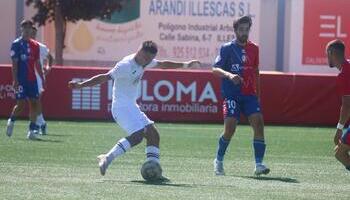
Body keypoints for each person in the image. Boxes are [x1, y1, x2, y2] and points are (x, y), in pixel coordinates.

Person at [68, 41, 200, 178]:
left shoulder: (146, 61)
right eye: (144, 57)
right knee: (137, 136)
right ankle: (107, 157)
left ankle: (153, 167)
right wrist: (80, 86)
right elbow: (104, 77)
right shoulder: (124, 65)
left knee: (153, 133)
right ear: (139, 51)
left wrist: (185, 64)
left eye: (149, 59)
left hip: (132, 106)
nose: (146, 61)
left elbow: (162, 64)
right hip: (120, 108)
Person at [212, 16, 270, 176]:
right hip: (232, 95)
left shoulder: (254, 48)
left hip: (249, 95)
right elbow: (215, 69)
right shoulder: (227, 48)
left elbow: (256, 71)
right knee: (230, 129)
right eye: (241, 30)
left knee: (259, 124)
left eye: (247, 29)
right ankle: (218, 160)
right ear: (236, 30)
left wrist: (258, 93)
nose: (244, 33)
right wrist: (229, 75)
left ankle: (259, 164)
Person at [6, 20, 44, 140]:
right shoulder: (16, 44)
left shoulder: (35, 45)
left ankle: (32, 131)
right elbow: (14, 64)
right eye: (25, 28)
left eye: (29, 28)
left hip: (32, 80)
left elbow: (37, 63)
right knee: (21, 104)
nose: (27, 30)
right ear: (21, 29)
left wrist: (42, 76)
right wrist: (15, 80)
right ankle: (11, 121)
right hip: (21, 80)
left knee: (34, 103)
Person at [326, 39, 350, 171]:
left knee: (339, 153)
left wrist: (339, 129)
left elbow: (347, 104)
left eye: (326, 54)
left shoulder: (343, 74)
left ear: (331, 53)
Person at [31, 26, 54, 135]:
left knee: (35, 101)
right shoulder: (21, 45)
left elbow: (50, 57)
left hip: (38, 77)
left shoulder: (40, 47)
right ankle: (42, 123)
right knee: (33, 102)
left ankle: (35, 126)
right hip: (27, 77)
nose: (31, 34)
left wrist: (48, 67)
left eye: (33, 33)